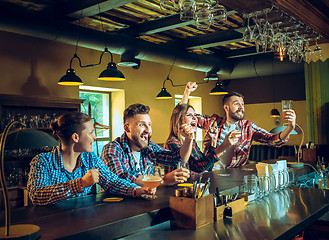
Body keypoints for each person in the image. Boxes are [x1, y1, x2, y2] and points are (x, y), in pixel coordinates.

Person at [27, 112, 153, 206]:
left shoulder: (90, 159)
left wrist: (137, 190)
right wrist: (80, 183)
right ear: (76, 137)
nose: (95, 137)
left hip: (82, 223)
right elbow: (36, 195)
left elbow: (112, 181)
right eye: (91, 132)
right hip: (53, 227)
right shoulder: (42, 162)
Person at [180, 82, 297, 169]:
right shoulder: (213, 122)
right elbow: (183, 115)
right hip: (210, 173)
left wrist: (290, 127)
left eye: (242, 104)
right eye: (237, 104)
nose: (241, 107)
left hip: (235, 176)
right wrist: (187, 92)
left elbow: (272, 140)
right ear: (226, 107)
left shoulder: (248, 127)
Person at [101, 103, 191, 186]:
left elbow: (178, 158)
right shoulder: (112, 149)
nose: (148, 130)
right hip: (116, 202)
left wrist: (189, 138)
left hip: (145, 201)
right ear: (127, 128)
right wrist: (163, 180)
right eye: (141, 125)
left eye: (149, 124)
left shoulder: (149, 147)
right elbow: (121, 178)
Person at [165, 103, 221, 173]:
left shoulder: (192, 142)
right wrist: (223, 147)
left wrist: (213, 140)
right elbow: (197, 167)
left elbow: (207, 166)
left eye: (195, 115)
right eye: (189, 115)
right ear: (178, 120)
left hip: (193, 183)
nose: (195, 118)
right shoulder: (172, 143)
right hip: (179, 184)